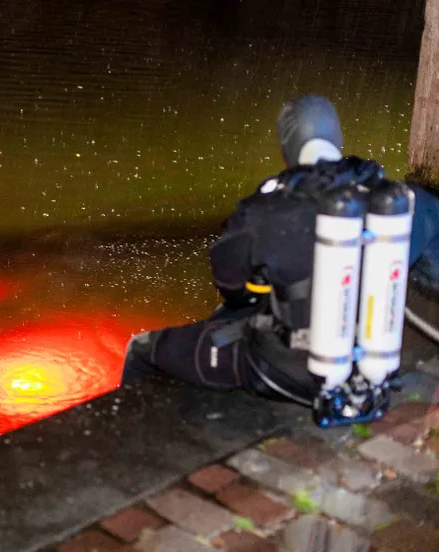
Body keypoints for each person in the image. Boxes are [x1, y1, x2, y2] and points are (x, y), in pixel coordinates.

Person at [122, 95, 439, 414]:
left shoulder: (264, 210)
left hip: (286, 371)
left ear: (286, 149)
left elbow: (229, 282)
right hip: (375, 361)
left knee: (143, 349)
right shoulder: (399, 202)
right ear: (338, 139)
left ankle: (131, 432)